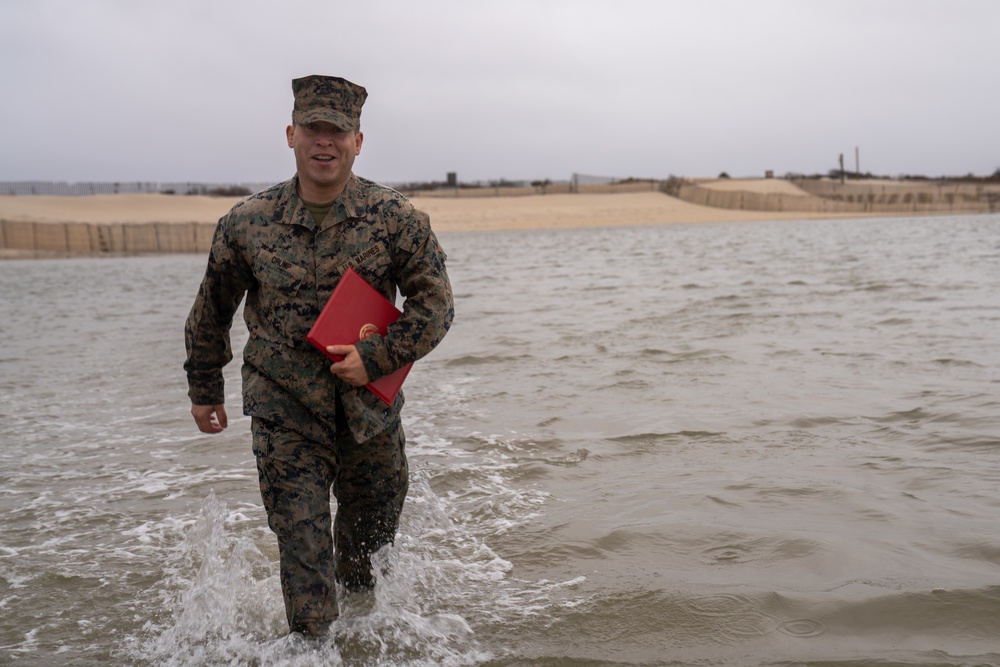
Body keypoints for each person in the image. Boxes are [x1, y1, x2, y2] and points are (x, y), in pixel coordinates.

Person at [183, 75, 454, 638]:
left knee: (364, 569)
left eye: (338, 131)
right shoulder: (246, 224)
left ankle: (360, 644)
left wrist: (375, 357)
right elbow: (212, 310)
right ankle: (313, 646)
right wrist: (204, 387)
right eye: (313, 129)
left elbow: (436, 308)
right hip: (285, 413)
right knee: (306, 566)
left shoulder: (395, 218)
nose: (325, 142)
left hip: (369, 417)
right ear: (291, 135)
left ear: (359, 141)